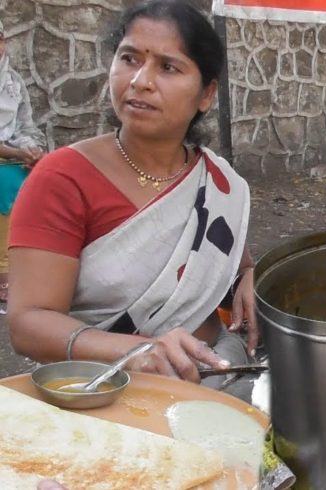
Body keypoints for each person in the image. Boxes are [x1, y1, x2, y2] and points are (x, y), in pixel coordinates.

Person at [7, 0, 258, 385]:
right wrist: (136, 352)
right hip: (103, 386)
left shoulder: (216, 181)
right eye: (129, 58)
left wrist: (250, 276)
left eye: (168, 67)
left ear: (206, 94)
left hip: (219, 370)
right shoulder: (62, 178)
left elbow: (228, 256)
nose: (140, 80)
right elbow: (28, 324)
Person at [0, 19, 46, 306]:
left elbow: (27, 126)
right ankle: (4, 273)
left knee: (39, 181)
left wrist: (33, 150)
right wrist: (16, 155)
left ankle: (27, 268)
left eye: (0, 37)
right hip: (5, 162)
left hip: (10, 158)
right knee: (7, 185)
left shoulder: (13, 83)